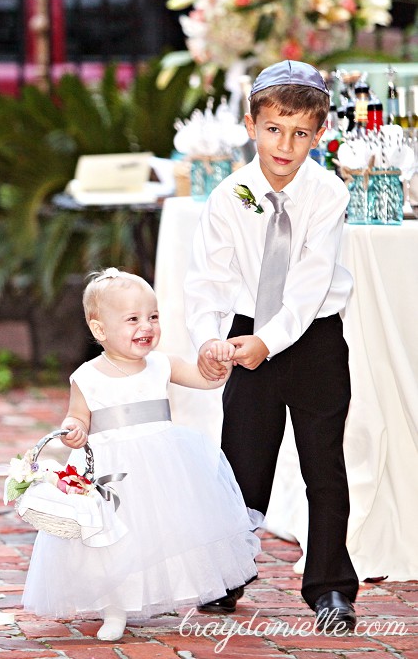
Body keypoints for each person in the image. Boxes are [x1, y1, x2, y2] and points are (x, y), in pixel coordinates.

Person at [184, 59, 358, 632]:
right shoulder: (228, 197)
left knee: (323, 466)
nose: (286, 144)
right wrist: (211, 340)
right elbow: (207, 280)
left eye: (301, 132)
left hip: (312, 342)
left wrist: (269, 342)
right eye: (275, 128)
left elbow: (308, 288)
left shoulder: (328, 193)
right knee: (243, 462)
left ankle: (330, 586)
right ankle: (228, 575)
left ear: (320, 133)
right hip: (244, 332)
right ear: (252, 125)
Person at [21, 268, 261, 641]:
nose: (146, 326)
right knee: (114, 541)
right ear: (100, 329)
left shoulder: (162, 364)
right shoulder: (87, 376)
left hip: (161, 465)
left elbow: (206, 379)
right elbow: (77, 415)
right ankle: (114, 608)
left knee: (159, 531)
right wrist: (74, 428)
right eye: (132, 319)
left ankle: (154, 593)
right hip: (112, 475)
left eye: (152, 316)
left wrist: (219, 363)